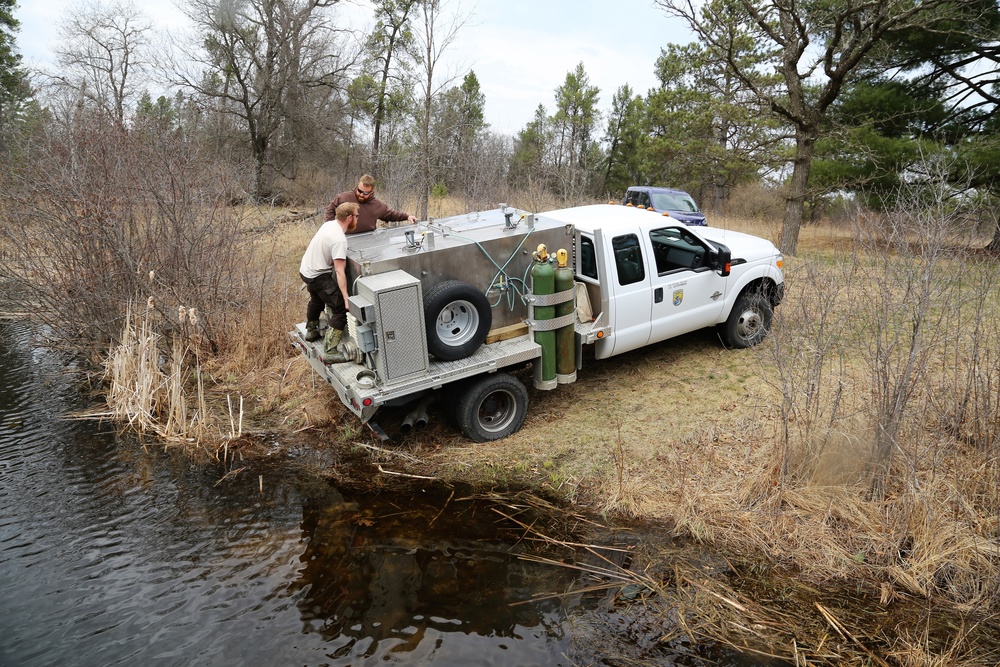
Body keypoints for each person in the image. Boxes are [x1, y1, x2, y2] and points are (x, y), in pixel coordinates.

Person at [299, 202, 359, 362]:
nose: (357, 219)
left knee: (316, 299)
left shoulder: (329, 225)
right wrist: (346, 297)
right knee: (339, 309)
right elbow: (339, 271)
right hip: (318, 275)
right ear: (350, 217)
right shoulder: (339, 239)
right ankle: (330, 351)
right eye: (357, 216)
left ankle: (311, 331)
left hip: (305, 270)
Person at [325, 174, 416, 234]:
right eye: (359, 191)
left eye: (365, 193)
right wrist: (332, 228)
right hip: (346, 238)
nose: (361, 194)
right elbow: (330, 209)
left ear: (372, 191)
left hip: (369, 239)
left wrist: (407, 217)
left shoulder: (376, 205)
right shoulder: (344, 197)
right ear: (357, 186)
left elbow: (390, 214)